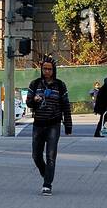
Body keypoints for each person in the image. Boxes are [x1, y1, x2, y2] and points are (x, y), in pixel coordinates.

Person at [27, 58, 73, 195]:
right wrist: (34, 100)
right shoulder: (35, 84)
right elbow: (28, 103)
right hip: (38, 124)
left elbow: (66, 105)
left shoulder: (60, 85)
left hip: (54, 124)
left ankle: (47, 184)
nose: (47, 71)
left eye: (50, 69)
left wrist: (68, 125)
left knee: (51, 156)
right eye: (45, 69)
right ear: (41, 69)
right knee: (36, 155)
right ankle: (45, 172)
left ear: (54, 70)